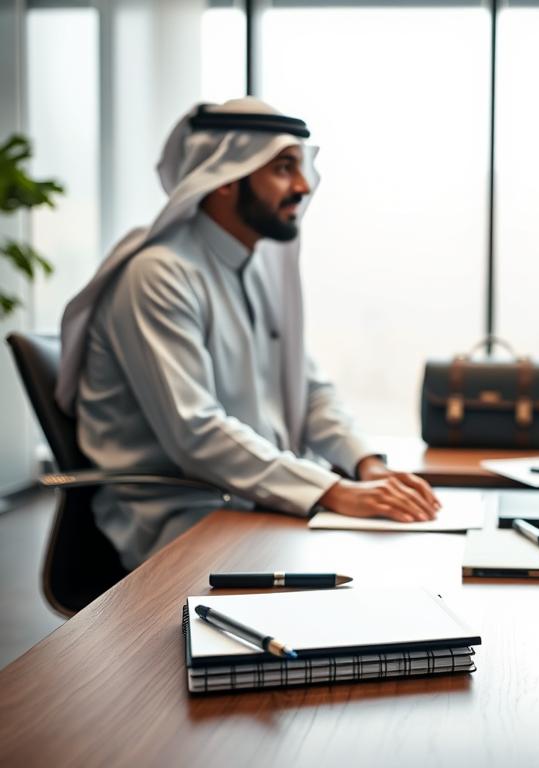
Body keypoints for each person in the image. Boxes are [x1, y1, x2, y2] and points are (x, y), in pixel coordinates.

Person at [56, 97, 439, 570]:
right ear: (224, 178)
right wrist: (333, 491)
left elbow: (310, 391)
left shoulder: (255, 265)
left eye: (301, 168)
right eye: (283, 169)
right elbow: (196, 432)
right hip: (186, 523)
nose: (303, 186)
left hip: (255, 502)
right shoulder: (158, 275)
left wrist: (367, 465)